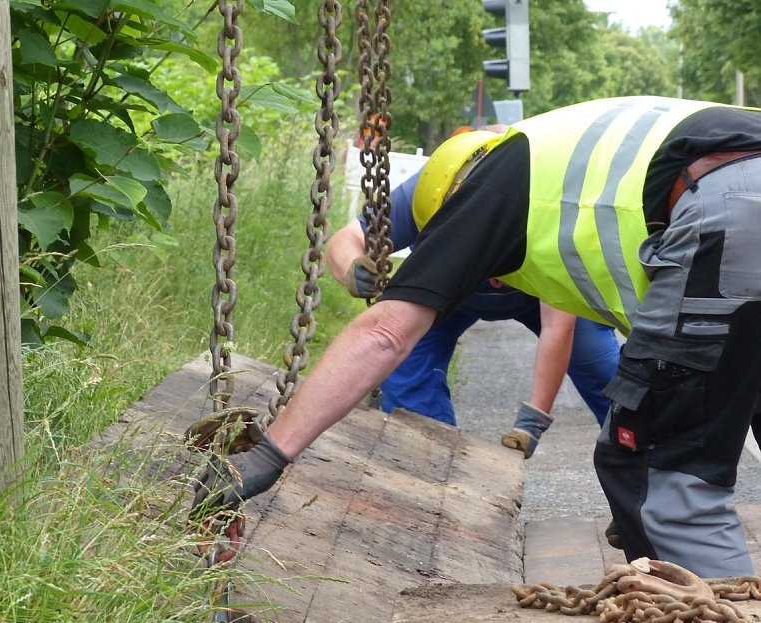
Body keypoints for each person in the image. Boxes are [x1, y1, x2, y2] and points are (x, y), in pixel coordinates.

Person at [193, 96, 761, 579]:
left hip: (727, 212)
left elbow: (389, 331)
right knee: (637, 447)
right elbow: (354, 247)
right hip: (730, 204)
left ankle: (711, 621)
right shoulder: (540, 163)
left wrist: (271, 453)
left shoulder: (493, 191)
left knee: (660, 471)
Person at [325, 128, 620, 458]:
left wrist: (533, 421)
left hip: (540, 291)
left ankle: (645, 478)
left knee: (614, 385)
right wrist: (355, 269)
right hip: (450, 289)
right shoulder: (427, 190)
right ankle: (430, 467)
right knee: (405, 372)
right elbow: (344, 240)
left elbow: (558, 327)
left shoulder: (544, 206)